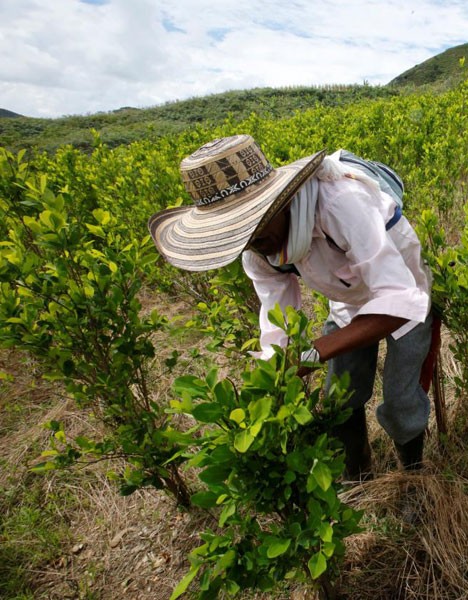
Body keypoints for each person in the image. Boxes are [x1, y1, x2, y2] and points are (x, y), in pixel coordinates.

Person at [148, 134, 432, 479]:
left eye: (254, 223)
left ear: (282, 201)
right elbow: (277, 329)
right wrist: (272, 383)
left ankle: (415, 476)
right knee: (341, 400)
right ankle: (358, 478)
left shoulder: (341, 203)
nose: (251, 240)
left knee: (402, 400)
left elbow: (399, 301)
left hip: (405, 289)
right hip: (348, 301)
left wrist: (311, 355)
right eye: (239, 232)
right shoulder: (258, 252)